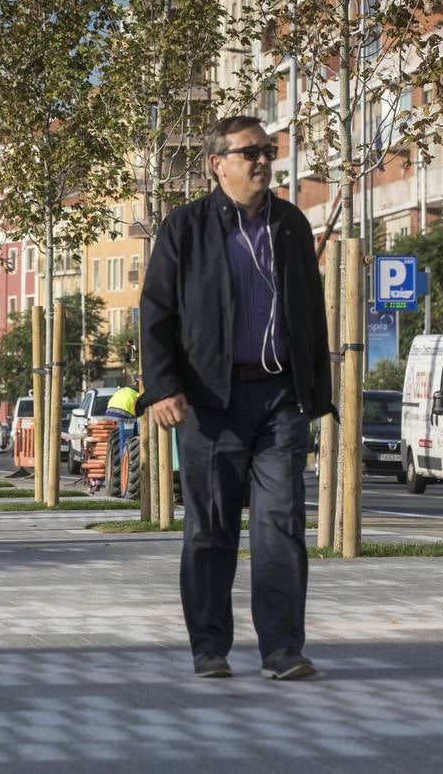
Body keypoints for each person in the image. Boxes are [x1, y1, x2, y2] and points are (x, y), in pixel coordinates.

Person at [139, 115, 334, 681]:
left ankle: (281, 649)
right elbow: (156, 312)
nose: (261, 162)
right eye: (249, 153)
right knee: (212, 527)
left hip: (279, 397)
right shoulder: (186, 227)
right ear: (216, 163)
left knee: (281, 524)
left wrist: (313, 391)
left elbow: (310, 314)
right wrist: (162, 387)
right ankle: (210, 647)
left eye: (267, 151)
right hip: (210, 401)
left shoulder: (291, 225)